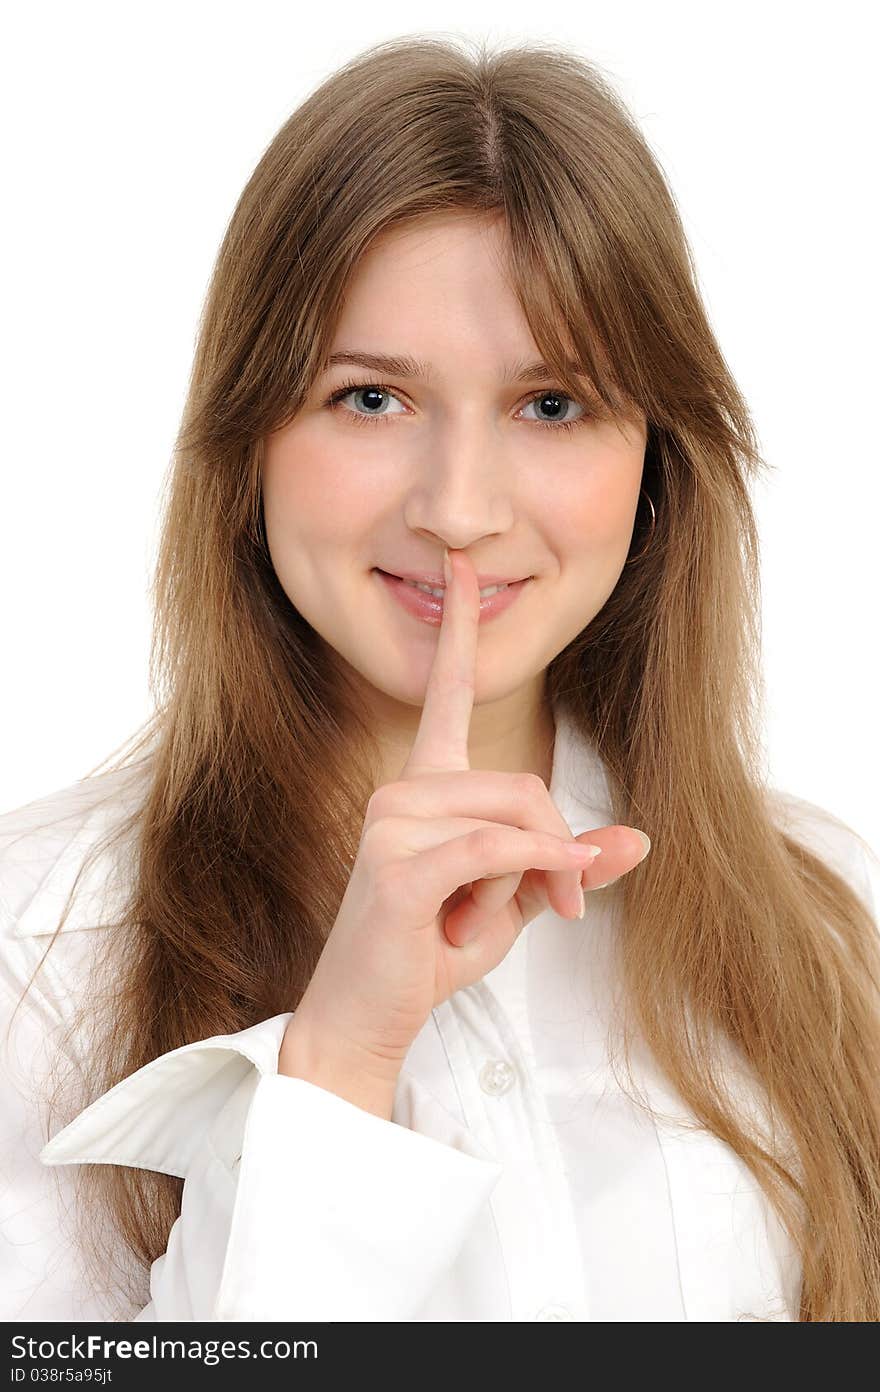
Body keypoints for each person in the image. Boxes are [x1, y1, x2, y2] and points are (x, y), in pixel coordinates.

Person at [2, 34, 879, 1324]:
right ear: (248, 441)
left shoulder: (824, 926)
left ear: (658, 466)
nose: (460, 511)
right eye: (368, 400)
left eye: (552, 405)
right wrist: (343, 1060)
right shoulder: (42, 948)